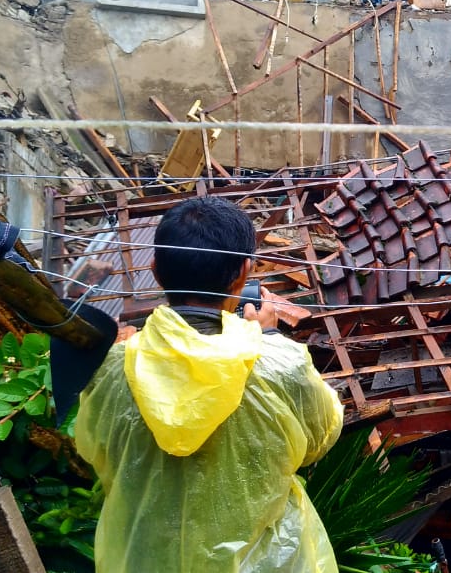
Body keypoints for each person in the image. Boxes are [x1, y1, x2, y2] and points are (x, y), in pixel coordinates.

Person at [74, 196, 343, 572]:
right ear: (243, 273)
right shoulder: (282, 363)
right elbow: (320, 439)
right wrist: (268, 339)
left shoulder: (113, 367)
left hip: (145, 559)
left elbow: (93, 449)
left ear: (155, 269)